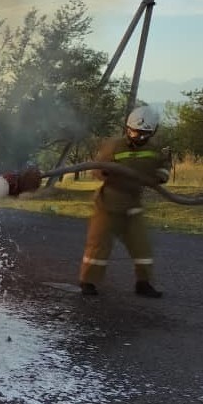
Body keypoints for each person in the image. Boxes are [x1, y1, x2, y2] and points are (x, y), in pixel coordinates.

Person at [79, 105, 172, 298]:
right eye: (134, 132)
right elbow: (97, 169)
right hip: (108, 204)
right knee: (99, 245)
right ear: (127, 128)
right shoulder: (114, 146)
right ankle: (88, 281)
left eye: (143, 134)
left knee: (142, 246)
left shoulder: (155, 150)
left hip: (133, 204)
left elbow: (163, 165)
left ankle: (143, 284)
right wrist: (105, 172)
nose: (138, 137)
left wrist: (160, 176)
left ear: (152, 132)